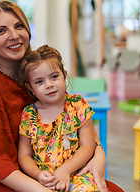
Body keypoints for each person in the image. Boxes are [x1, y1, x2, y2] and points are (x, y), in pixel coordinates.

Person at [0, 0, 107, 192]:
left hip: (49, 173)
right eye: (1, 31)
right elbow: (0, 164)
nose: (14, 36)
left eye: (19, 26)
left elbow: (71, 114)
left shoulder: (36, 72)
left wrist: (99, 155)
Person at [18, 45, 98, 192]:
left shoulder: (77, 105)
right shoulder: (29, 114)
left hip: (76, 174)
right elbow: (24, 155)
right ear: (30, 88)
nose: (49, 85)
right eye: (39, 82)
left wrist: (66, 170)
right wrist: (38, 174)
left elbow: (88, 146)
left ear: (64, 75)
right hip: (43, 179)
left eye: (54, 77)